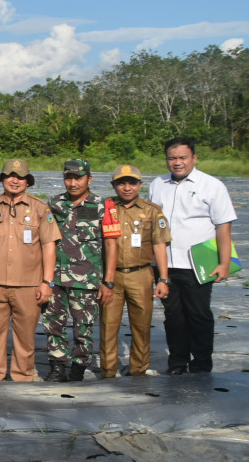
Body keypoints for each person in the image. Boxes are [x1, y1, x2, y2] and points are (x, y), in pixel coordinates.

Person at [148, 137, 237, 375]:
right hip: (166, 264)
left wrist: (224, 263)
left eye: (182, 158)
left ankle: (201, 364)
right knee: (173, 316)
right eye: (172, 158)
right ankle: (177, 362)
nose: (177, 163)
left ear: (194, 158)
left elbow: (223, 227)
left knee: (198, 315)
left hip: (198, 264)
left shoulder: (212, 186)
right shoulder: (158, 184)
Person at [0, 159, 60, 381]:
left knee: (25, 337)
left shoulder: (40, 208)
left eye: (20, 177)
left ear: (27, 182)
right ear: (2, 179)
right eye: (9, 176)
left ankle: (22, 377)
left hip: (28, 285)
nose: (14, 180)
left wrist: (47, 282)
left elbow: (48, 246)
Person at [44, 159, 117, 382]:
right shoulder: (54, 204)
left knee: (83, 327)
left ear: (89, 179)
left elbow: (111, 244)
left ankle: (78, 368)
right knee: (53, 324)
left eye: (78, 178)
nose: (73, 183)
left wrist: (109, 281)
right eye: (69, 178)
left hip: (87, 280)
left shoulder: (103, 205)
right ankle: (57, 367)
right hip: (56, 278)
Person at [99, 164, 170, 378]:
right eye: (121, 183)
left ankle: (138, 369)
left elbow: (159, 244)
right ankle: (108, 371)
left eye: (132, 182)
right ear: (114, 185)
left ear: (140, 184)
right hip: (112, 276)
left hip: (141, 274)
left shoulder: (152, 210)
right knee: (108, 326)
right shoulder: (106, 207)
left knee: (141, 325)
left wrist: (164, 278)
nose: (127, 187)